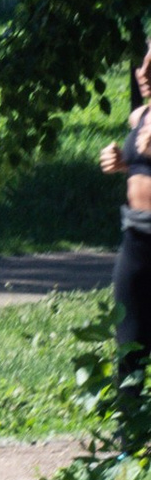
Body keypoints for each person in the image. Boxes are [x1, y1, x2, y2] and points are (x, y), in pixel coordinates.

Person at [98, 45, 151, 366]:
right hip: (136, 243)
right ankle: (129, 415)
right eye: (142, 63)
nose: (142, 73)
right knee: (129, 349)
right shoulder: (141, 116)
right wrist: (120, 163)